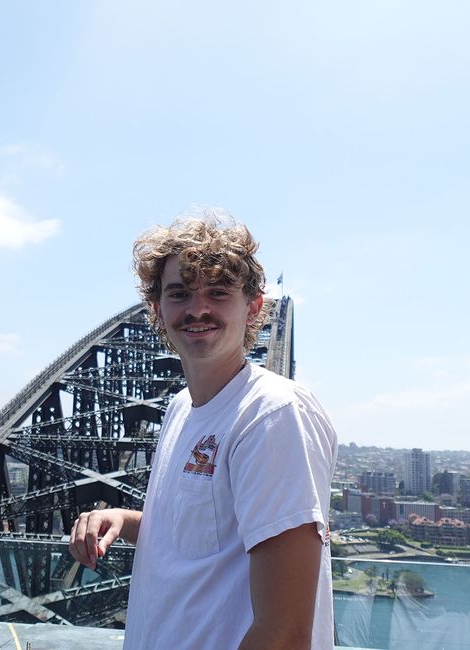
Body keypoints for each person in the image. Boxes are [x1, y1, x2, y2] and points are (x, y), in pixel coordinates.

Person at [69, 213, 338, 649]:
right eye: (179, 294)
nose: (197, 309)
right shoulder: (181, 409)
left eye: (218, 293)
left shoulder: (273, 415)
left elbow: (285, 634)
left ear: (253, 308)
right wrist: (122, 519)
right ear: (157, 309)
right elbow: (201, 534)